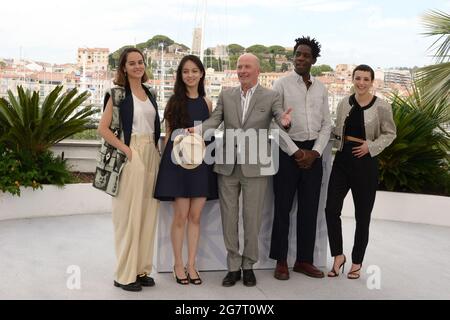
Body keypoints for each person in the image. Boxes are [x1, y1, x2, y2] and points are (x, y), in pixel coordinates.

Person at [198, 53, 295, 287]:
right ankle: (233, 266)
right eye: (239, 66)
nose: (242, 70)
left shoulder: (271, 96)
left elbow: (279, 116)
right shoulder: (226, 94)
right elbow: (215, 120)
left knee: (252, 219)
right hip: (227, 165)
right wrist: (198, 130)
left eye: (247, 67)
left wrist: (284, 121)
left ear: (257, 70)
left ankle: (248, 265)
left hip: (256, 167)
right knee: (228, 217)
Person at [97, 48, 161, 292]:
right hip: (130, 150)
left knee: (148, 212)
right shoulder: (117, 93)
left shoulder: (150, 92)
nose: (137, 66)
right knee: (128, 214)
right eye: (132, 63)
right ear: (123, 68)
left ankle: (142, 269)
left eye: (140, 62)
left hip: (151, 152)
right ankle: (124, 274)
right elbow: (103, 129)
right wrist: (127, 150)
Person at [325, 64, 396, 279]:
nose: (361, 83)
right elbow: (337, 130)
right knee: (331, 210)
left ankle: (357, 261)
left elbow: (390, 133)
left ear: (372, 82)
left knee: (362, 216)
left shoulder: (381, 106)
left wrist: (370, 147)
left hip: (365, 164)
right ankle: (338, 256)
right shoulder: (344, 103)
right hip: (342, 161)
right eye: (358, 78)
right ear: (353, 79)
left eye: (366, 79)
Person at [269, 36, 332, 280]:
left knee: (310, 209)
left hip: (313, 155)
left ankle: (304, 260)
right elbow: (273, 124)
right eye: (297, 53)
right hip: (287, 153)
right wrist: (295, 151)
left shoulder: (322, 88)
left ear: (314, 59)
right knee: (282, 208)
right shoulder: (281, 84)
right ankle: (281, 260)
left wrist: (315, 152)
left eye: (305, 55)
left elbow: (326, 124)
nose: (300, 58)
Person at [154, 55, 218, 285]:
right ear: (181, 76)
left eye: (194, 71)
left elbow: (209, 133)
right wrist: (165, 165)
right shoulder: (174, 101)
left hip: (201, 162)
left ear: (201, 74)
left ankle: (192, 264)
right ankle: (178, 264)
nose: (189, 75)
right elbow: (169, 134)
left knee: (196, 216)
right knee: (180, 216)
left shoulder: (208, 103)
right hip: (178, 162)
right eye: (185, 71)